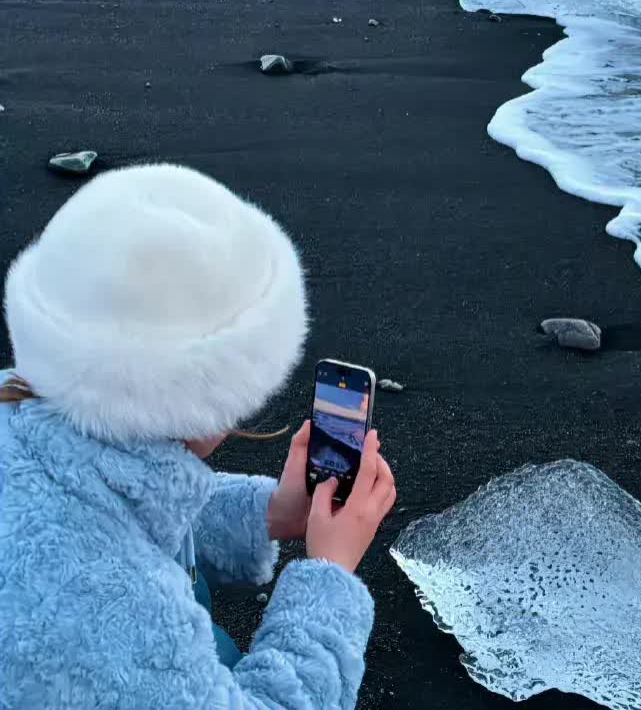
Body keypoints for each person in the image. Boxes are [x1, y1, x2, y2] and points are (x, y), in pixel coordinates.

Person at [0, 163, 396, 709]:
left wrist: (274, 514)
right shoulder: (103, 613)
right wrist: (327, 576)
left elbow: (126, 499)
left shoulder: (18, 403)